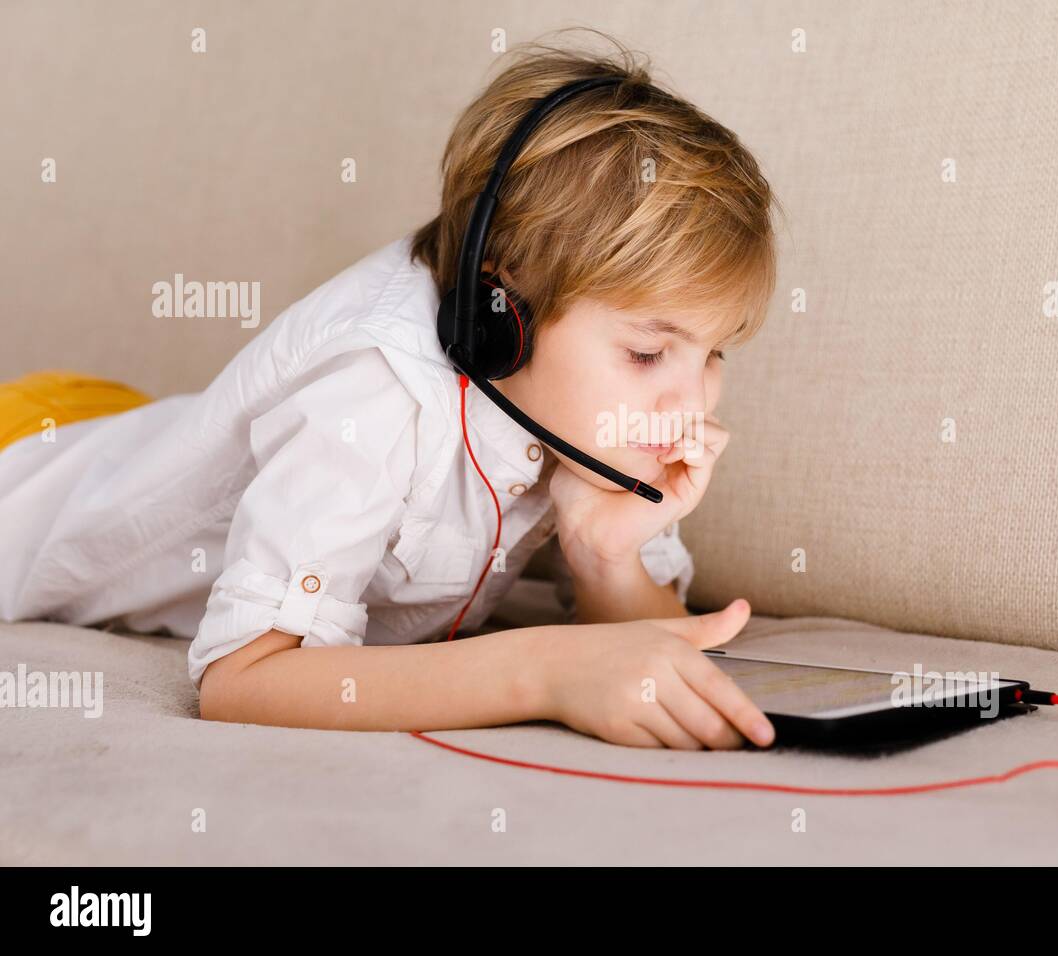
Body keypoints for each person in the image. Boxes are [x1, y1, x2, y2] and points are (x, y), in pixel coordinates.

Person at [0, 32, 781, 750]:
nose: (691, 404)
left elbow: (648, 646)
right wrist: (543, 669)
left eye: (713, 356)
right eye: (648, 353)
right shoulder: (375, 394)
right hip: (26, 456)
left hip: (119, 418)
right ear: (497, 313)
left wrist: (605, 557)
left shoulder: (589, 419)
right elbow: (245, 679)